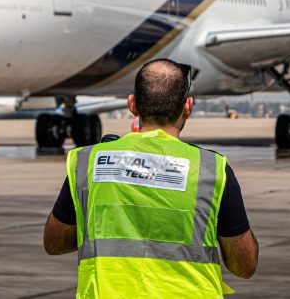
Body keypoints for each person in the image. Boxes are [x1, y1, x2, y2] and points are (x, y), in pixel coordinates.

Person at [44, 58, 258, 298]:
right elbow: (244, 266)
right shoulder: (211, 169)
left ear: (132, 104)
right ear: (188, 106)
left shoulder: (89, 161)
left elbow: (54, 243)